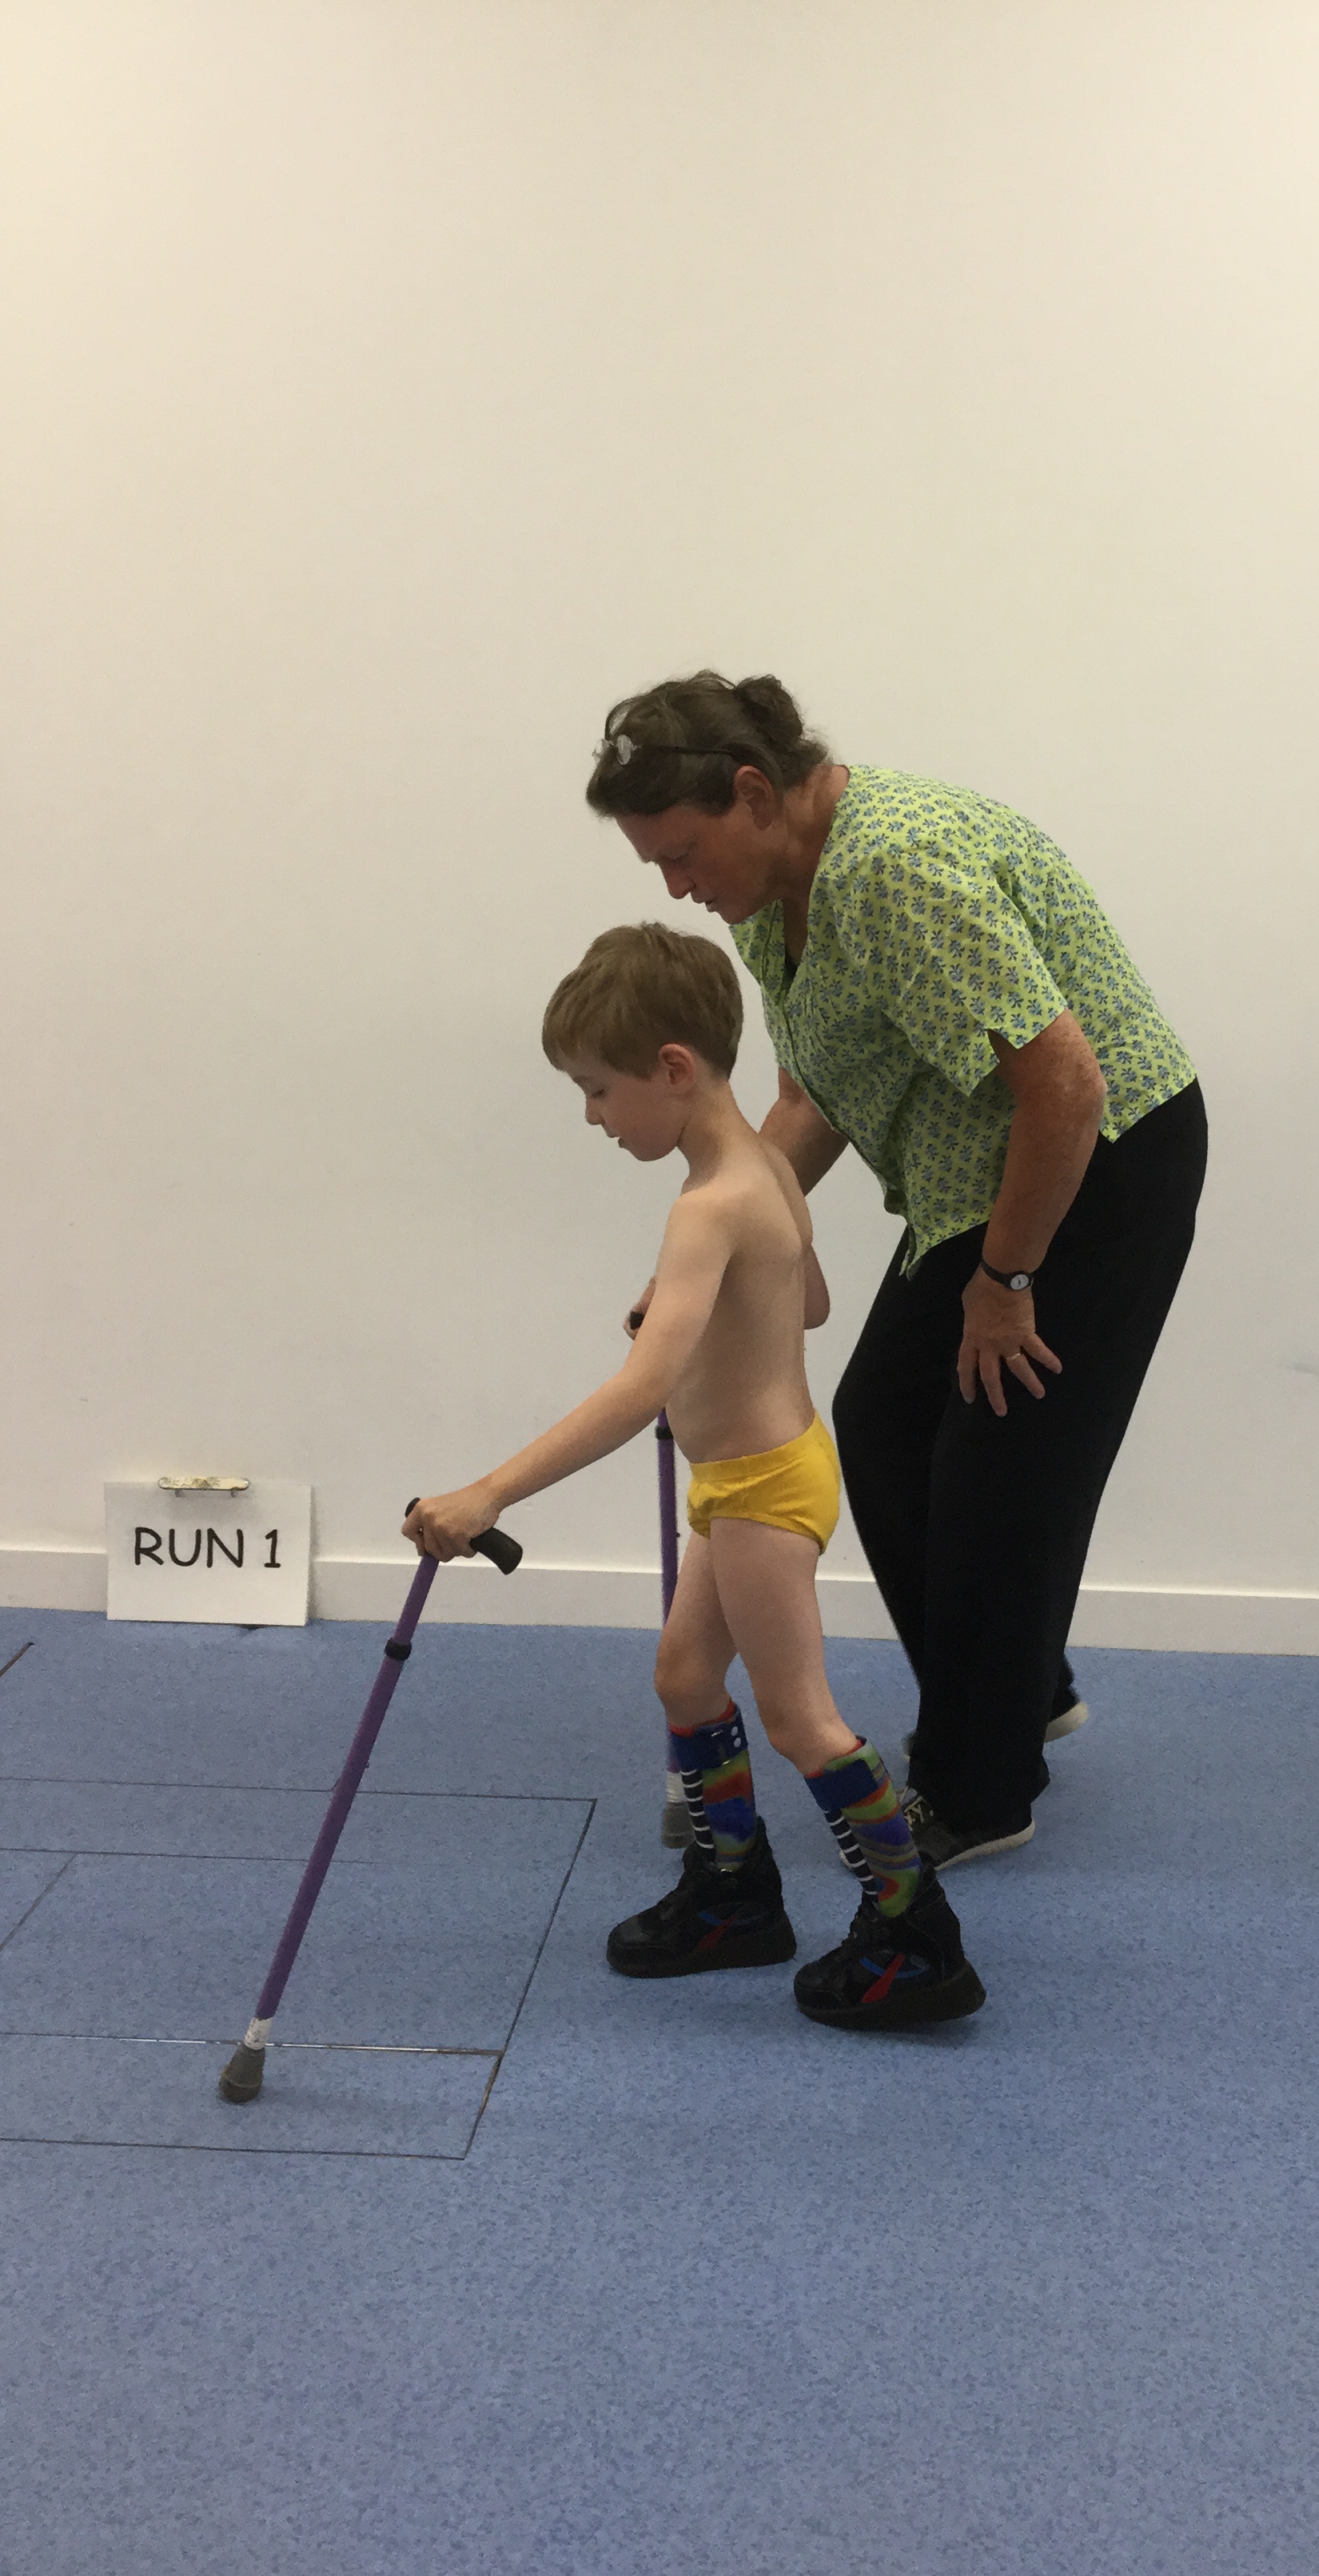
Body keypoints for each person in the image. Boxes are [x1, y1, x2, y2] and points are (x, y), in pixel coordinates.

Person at [586, 674, 1207, 1870]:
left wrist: (1006, 1282)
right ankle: (1017, 1686)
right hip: (984, 1168)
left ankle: (980, 1788)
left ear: (753, 792)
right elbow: (818, 1094)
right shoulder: (772, 899)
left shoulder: (896, 869)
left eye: (681, 853)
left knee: (996, 1471)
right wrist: (710, 1258)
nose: (674, 886)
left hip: (1100, 1164)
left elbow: (1067, 1087)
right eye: (655, 864)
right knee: (880, 1427)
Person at [403, 922, 986, 2030]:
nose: (592, 1115)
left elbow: (638, 1393)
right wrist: (708, 1304)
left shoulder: (706, 1205)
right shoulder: (761, 1169)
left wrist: (488, 1495)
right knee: (683, 1678)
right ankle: (734, 1894)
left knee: (801, 1719)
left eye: (597, 1089)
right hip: (751, 1475)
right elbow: (809, 1302)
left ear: (672, 1069)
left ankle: (917, 1933)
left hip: (761, 1489)